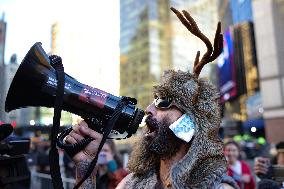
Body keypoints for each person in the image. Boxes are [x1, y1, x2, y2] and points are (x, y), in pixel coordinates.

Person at [64, 7, 239, 189]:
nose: (148, 109)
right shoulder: (129, 184)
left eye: (163, 102)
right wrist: (86, 168)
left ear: (190, 120)